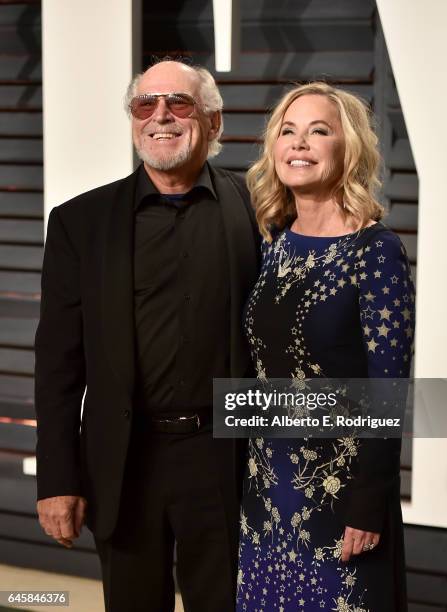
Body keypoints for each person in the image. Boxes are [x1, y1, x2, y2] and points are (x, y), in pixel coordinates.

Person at [34, 59, 259, 612]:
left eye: (179, 103)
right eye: (145, 105)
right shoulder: (78, 223)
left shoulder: (262, 209)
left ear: (213, 121)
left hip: (225, 459)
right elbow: (58, 366)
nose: (161, 116)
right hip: (125, 463)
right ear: (134, 120)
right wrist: (57, 479)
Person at [236, 82, 414, 611]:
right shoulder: (272, 240)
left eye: (319, 131)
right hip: (264, 487)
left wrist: (367, 501)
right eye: (287, 132)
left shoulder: (375, 251)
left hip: (341, 493)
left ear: (348, 147)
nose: (300, 143)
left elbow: (388, 389)